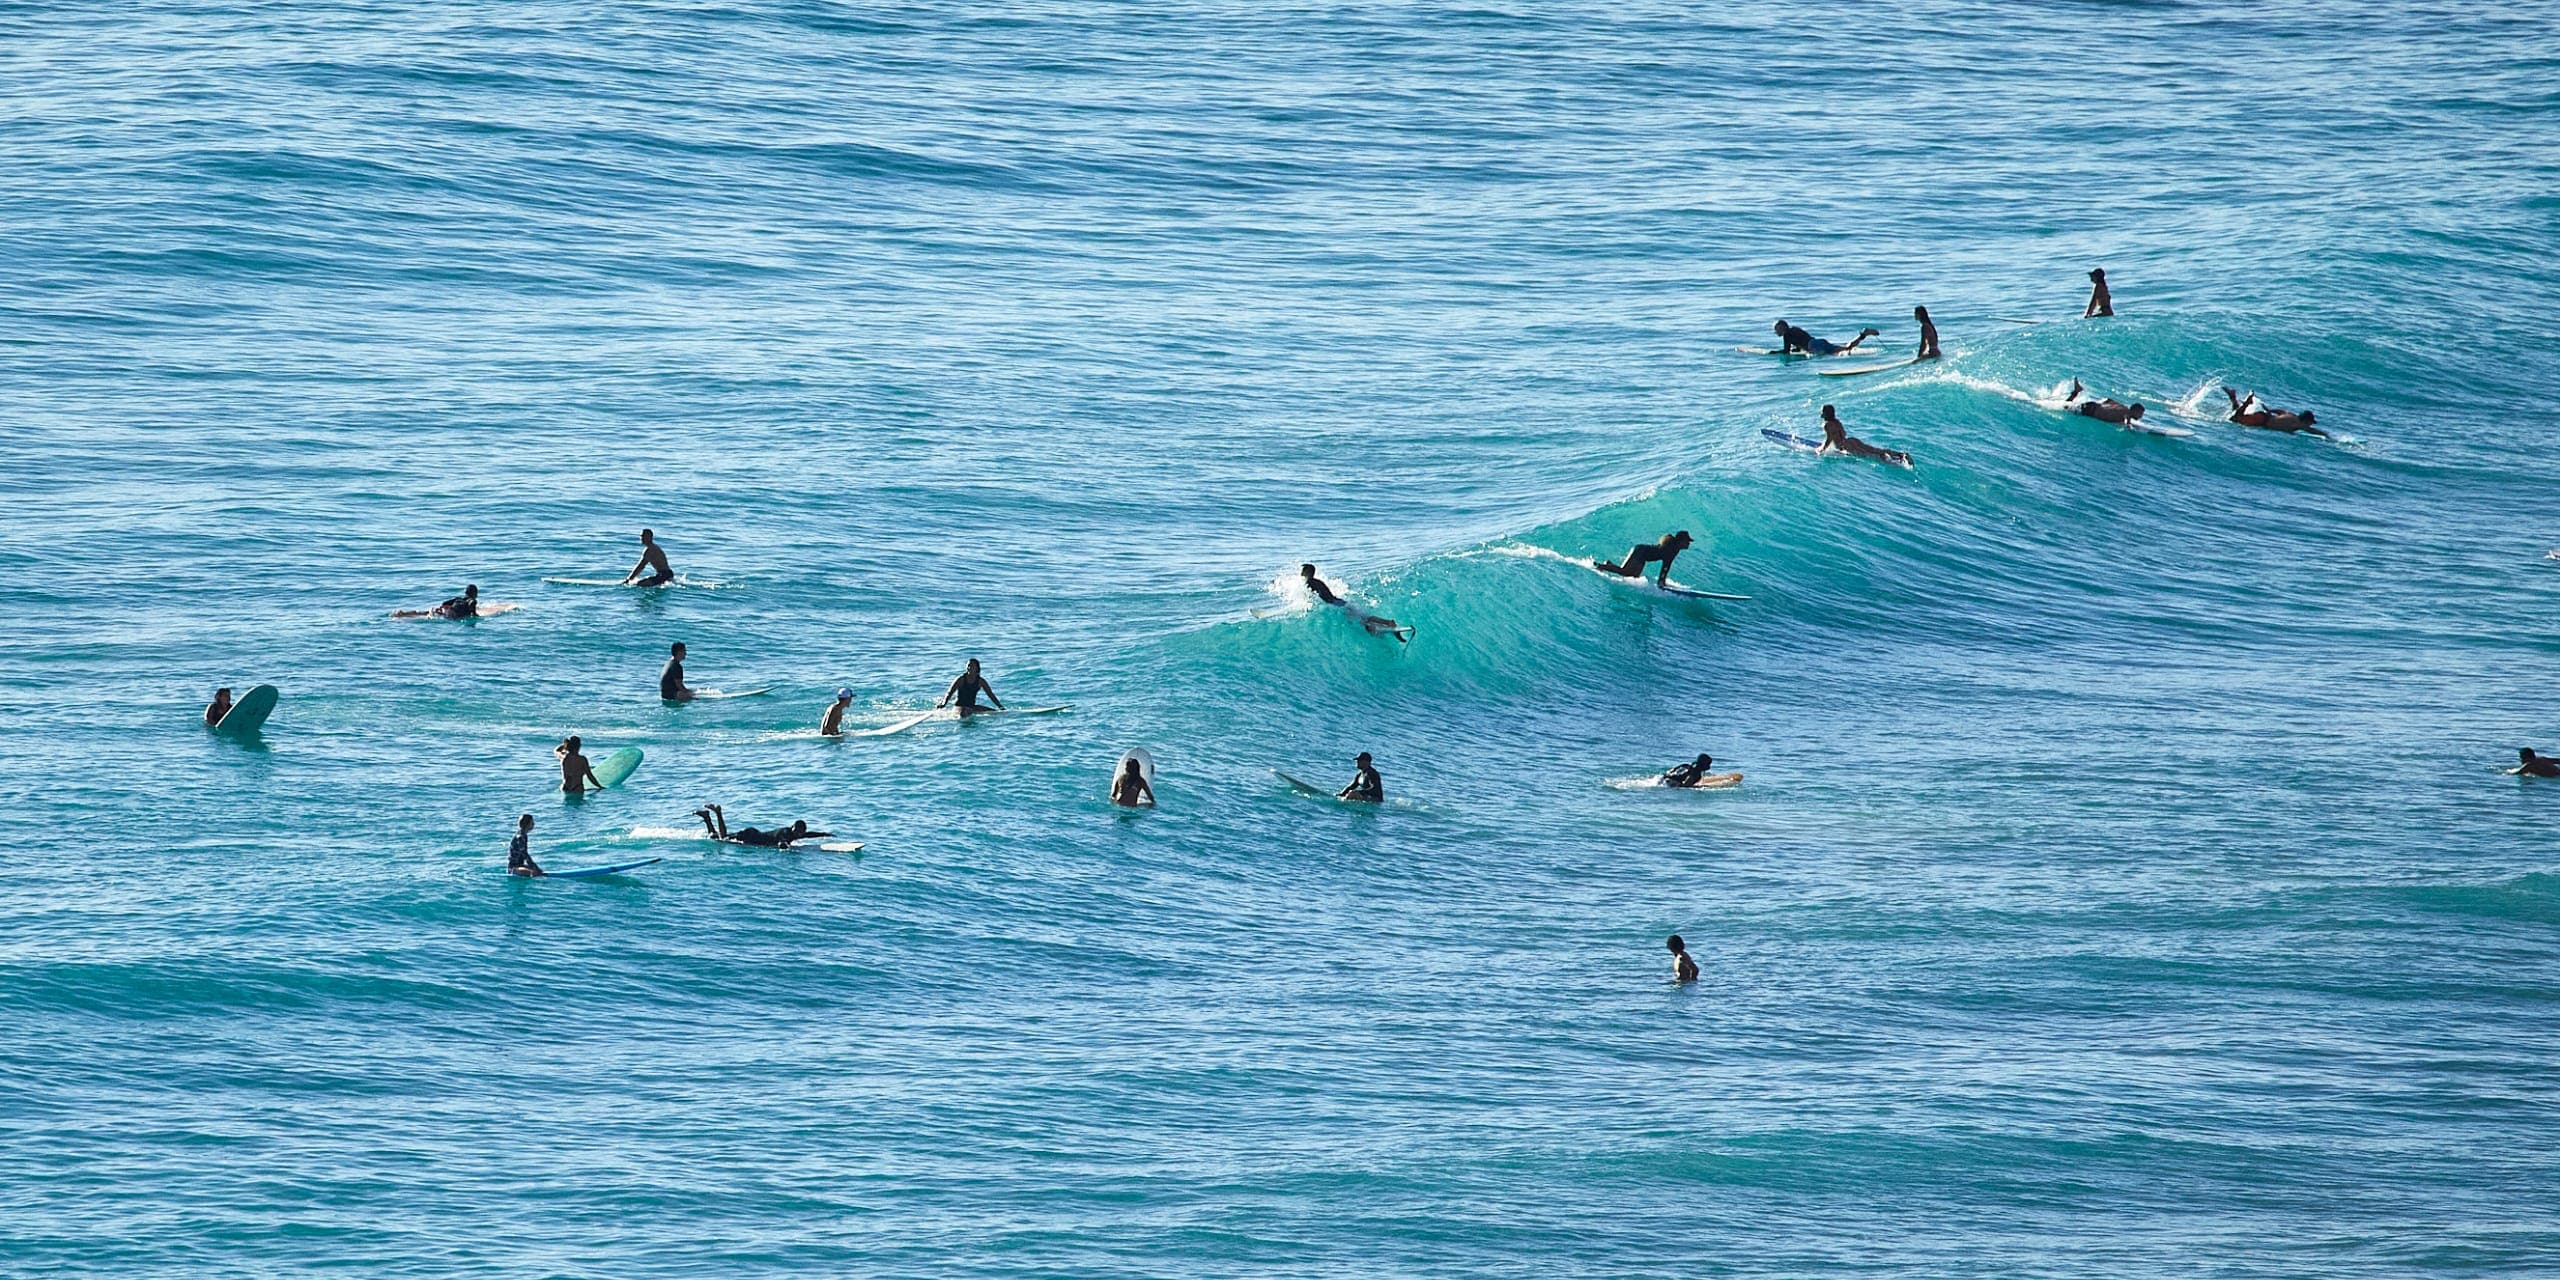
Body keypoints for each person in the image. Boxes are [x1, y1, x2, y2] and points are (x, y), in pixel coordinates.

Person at [1300, 564, 1410, 642]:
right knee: (1365, 617)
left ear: (1308, 572)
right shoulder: (1319, 581)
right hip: (1341, 602)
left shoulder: (1309, 582)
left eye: (1303, 570)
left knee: (1361, 622)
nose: (1301, 573)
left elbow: (1313, 597)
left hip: (1337, 606)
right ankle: (1389, 622)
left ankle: (1376, 629)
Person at [693, 805, 832, 848]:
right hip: (751, 837)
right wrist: (787, 848)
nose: (798, 835)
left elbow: (809, 834)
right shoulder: (785, 832)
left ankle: (706, 818)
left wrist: (824, 834)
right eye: (796, 832)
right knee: (722, 839)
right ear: (792, 828)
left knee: (715, 838)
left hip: (753, 835)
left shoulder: (797, 833)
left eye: (800, 833)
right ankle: (718, 813)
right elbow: (782, 841)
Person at [1818, 405, 1913, 466]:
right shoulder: (1837, 422)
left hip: (1846, 446)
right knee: (1875, 450)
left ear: (1826, 413)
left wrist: (1822, 449)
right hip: (1851, 440)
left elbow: (1829, 439)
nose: (1821, 414)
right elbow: (1842, 434)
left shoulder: (1827, 425)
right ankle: (1900, 455)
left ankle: (1894, 463)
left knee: (1870, 455)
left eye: (1822, 412)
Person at [1595, 531, 1695, 587]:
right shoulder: (1670, 550)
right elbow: (1665, 567)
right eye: (1687, 541)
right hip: (1640, 553)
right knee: (1626, 573)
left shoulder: (1673, 547)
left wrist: (1662, 581)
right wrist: (1661, 583)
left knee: (1631, 575)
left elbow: (1666, 566)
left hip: (1642, 554)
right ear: (1680, 541)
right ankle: (1600, 566)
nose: (1688, 543)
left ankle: (1609, 565)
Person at [2223, 388, 2328, 438]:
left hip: (2264, 416)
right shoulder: (2298, 424)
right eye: (2310, 422)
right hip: (2263, 420)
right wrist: (2326, 436)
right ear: (2305, 420)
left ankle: (2233, 397)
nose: (2310, 424)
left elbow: (2280, 411)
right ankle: (2247, 402)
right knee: (2236, 419)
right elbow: (2312, 431)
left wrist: (2269, 410)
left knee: (2237, 417)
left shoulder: (2291, 415)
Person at [1774, 319, 1878, 356]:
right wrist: (1797, 349)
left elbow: (1786, 351)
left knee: (1844, 351)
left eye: (1777, 329)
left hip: (1815, 347)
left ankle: (1863, 335)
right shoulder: (1795, 329)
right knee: (1845, 348)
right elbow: (1802, 341)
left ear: (1783, 328)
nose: (1776, 331)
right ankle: (1863, 335)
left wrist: (1772, 353)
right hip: (1817, 342)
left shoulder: (1787, 335)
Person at [939, 658, 1004, 717]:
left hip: (971, 706)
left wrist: (1000, 706)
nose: (969, 668)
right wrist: (944, 704)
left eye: (972, 666)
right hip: (959, 706)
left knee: (996, 713)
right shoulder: (961, 679)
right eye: (968, 666)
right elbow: (949, 693)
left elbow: (990, 694)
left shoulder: (980, 681)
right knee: (964, 713)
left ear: (977, 668)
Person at [2064, 379, 2147, 425]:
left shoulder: (2123, 408)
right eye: (2140, 414)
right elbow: (2127, 421)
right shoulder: (2126, 414)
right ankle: (2076, 391)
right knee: (2065, 408)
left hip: (2093, 406)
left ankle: (2076, 391)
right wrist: (2129, 428)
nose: (2141, 416)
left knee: (2067, 407)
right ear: (2135, 411)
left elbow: (2109, 400)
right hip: (2091, 411)